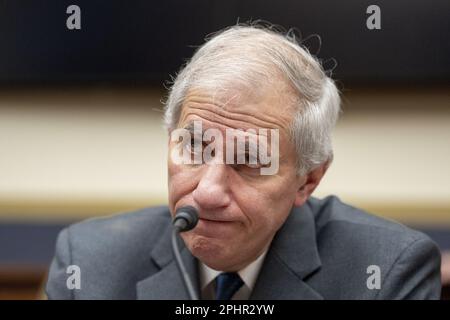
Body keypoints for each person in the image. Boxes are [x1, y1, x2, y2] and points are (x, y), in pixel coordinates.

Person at [46, 24, 441, 300]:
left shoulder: (385, 271)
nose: (208, 192)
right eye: (195, 148)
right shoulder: (89, 263)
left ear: (309, 180)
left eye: (250, 160)